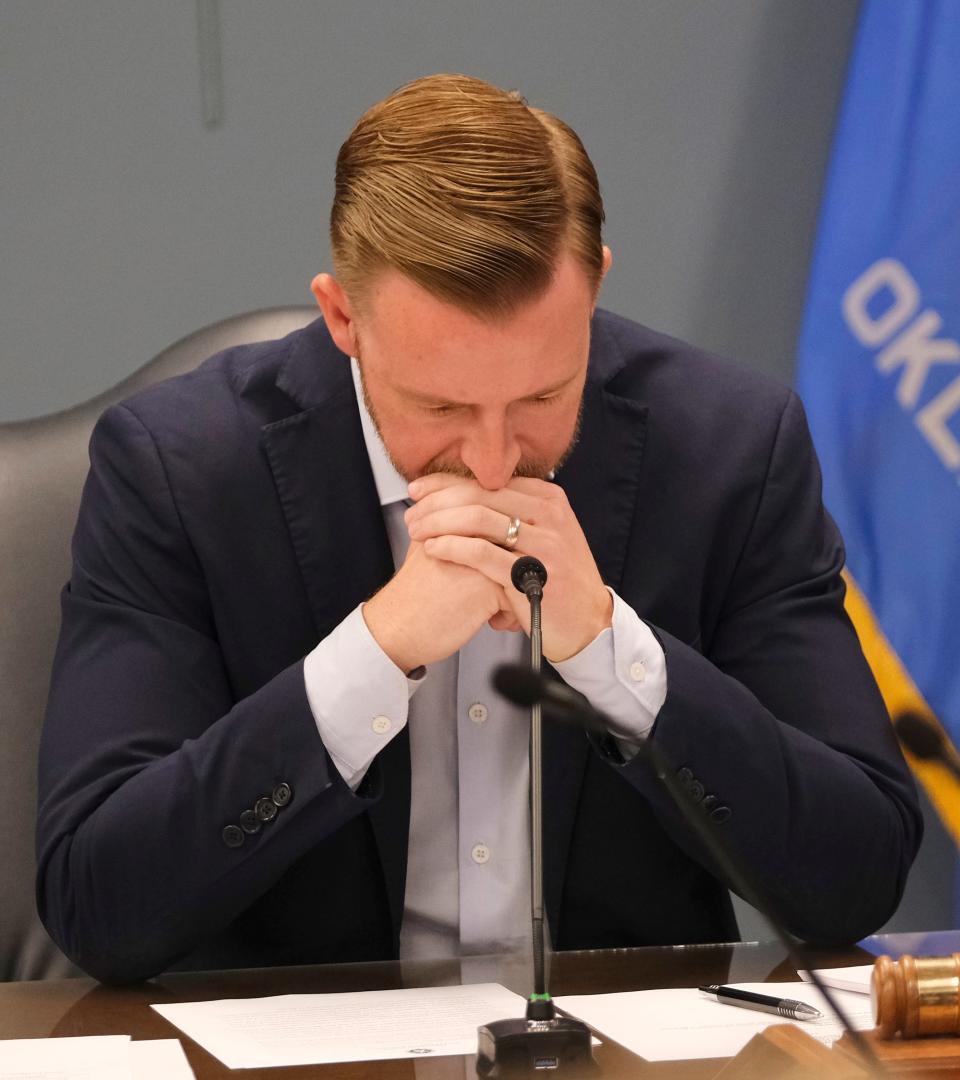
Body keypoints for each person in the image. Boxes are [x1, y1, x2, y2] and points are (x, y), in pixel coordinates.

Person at [37, 74, 921, 985]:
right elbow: (98, 905)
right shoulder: (180, 469)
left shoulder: (731, 450)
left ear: (596, 289)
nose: (496, 462)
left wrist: (612, 650)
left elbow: (855, 880)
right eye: (440, 404)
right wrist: (374, 655)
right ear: (343, 316)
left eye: (542, 394)